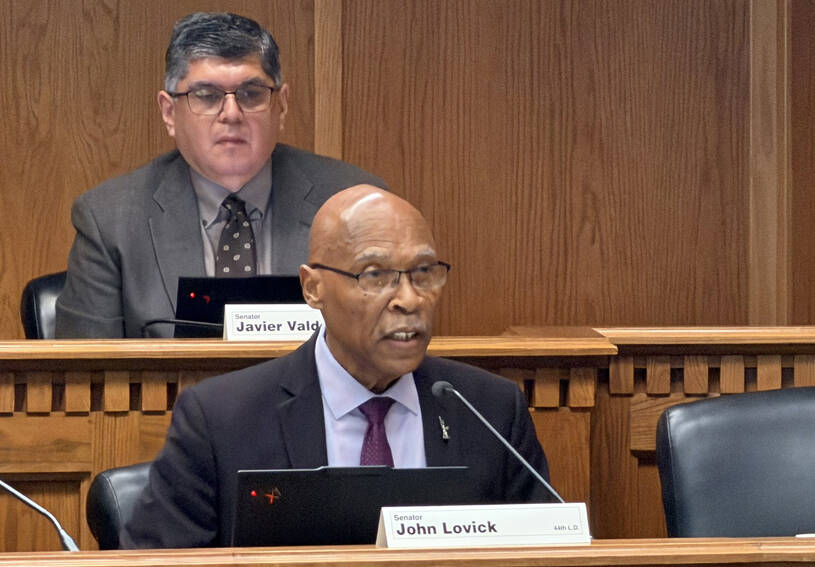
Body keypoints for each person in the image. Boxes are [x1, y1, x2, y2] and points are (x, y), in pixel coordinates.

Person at [120, 185, 553, 548]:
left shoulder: (491, 411)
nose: (409, 299)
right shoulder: (221, 419)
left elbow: (547, 551)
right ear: (313, 288)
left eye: (424, 272)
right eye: (375, 275)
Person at [55, 12, 385, 338]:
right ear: (169, 113)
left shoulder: (356, 206)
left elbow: (385, 347)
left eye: (251, 93)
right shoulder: (111, 221)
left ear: (281, 106)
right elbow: (86, 369)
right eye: (207, 96)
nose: (231, 114)